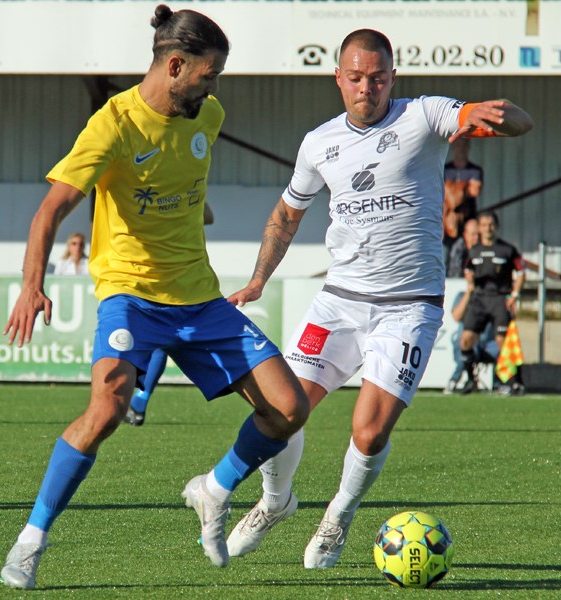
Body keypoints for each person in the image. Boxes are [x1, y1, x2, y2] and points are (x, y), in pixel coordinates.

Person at [0, 5, 309, 590]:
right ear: (175, 66)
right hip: (132, 296)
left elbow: (179, 179)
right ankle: (31, 539)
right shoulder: (112, 126)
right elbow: (50, 211)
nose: (214, 89)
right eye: (209, 75)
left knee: (289, 408)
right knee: (107, 408)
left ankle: (214, 489)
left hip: (200, 300)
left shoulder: (207, 115)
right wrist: (32, 285)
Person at [225, 29, 533, 568]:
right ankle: (274, 502)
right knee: (280, 409)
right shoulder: (319, 143)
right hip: (339, 301)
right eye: (356, 78)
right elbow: (287, 215)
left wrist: (500, 115)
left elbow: (516, 123)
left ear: (393, 77)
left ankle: (337, 516)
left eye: (378, 78)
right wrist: (257, 281)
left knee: (368, 432)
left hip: (408, 306)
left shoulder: (424, 115)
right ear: (338, 79)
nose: (367, 87)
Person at [123, 203, 215, 426]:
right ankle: (138, 400)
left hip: (164, 275)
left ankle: (136, 401)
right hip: (171, 274)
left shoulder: (165, 195)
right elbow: (208, 216)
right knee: (158, 342)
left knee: (159, 342)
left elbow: (208, 216)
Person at [459, 210, 526, 395]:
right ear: (479, 228)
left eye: (491, 224)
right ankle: (471, 380)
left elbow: (521, 272)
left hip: (500, 298)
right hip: (479, 299)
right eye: (484, 225)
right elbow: (467, 270)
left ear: (496, 226)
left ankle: (515, 382)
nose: (488, 228)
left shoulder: (507, 250)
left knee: (503, 341)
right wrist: (469, 280)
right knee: (465, 340)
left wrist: (515, 294)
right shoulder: (473, 251)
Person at [444, 280, 499, 394]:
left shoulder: (493, 298)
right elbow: (457, 316)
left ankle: (499, 384)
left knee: (503, 350)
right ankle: (455, 380)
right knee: (463, 346)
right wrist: (469, 293)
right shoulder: (462, 295)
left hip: (487, 343)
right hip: (469, 342)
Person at [443, 137, 483, 270]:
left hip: (467, 220)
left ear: (468, 147)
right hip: (447, 222)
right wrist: (464, 186)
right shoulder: (445, 169)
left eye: (464, 145)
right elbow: (441, 193)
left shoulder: (475, 170)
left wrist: (451, 188)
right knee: (444, 254)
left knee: (466, 256)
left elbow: (474, 191)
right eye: (457, 145)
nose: (460, 149)